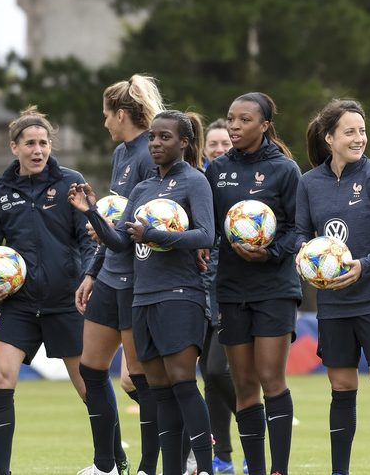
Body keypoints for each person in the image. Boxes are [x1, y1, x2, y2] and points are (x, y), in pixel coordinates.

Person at [69, 110, 216, 475]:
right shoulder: (142, 188)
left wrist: (154, 235)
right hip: (143, 296)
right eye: (152, 137)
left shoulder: (194, 181)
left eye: (165, 137)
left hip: (181, 294)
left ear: (184, 142)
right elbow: (119, 242)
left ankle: (206, 467)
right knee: (159, 391)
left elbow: (206, 235)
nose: (155, 144)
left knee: (183, 383)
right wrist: (92, 214)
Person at [0, 106, 96, 475]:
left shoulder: (72, 182)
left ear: (51, 145)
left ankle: (111, 461)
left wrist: (90, 276)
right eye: (30, 144)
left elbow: (89, 240)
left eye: (43, 143)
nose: (37, 150)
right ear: (14, 148)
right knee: (1, 377)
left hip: (66, 301)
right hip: (18, 304)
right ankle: (0, 471)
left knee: (90, 387)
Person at [295, 98, 370, 475]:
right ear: (329, 138)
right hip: (333, 303)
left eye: (362, 130)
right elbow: (299, 233)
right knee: (341, 389)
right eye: (350, 131)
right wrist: (304, 254)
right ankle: (339, 471)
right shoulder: (309, 182)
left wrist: (365, 265)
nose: (359, 137)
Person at [206, 93, 302, 475]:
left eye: (244, 120)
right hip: (230, 289)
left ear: (264, 126)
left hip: (274, 288)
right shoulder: (216, 170)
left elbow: (298, 229)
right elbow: (210, 227)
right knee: (243, 384)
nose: (234, 126)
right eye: (230, 118)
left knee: (270, 377)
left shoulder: (285, 170)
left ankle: (278, 469)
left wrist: (270, 252)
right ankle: (257, 469)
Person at [75, 74, 164, 475]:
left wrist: (99, 224)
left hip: (139, 280)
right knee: (91, 369)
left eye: (106, 115)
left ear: (122, 114)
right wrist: (92, 272)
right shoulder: (120, 155)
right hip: (110, 275)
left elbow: (136, 227)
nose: (104, 123)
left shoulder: (150, 154)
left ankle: (153, 462)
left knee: (141, 380)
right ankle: (106, 465)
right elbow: (110, 225)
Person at [198, 118, 242, 474]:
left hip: (229, 291)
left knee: (217, 371)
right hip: (196, 293)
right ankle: (222, 456)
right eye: (213, 144)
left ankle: (253, 427)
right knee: (209, 379)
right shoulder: (198, 184)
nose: (218, 149)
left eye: (225, 143)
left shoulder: (239, 185)